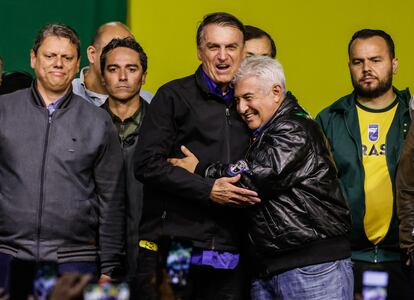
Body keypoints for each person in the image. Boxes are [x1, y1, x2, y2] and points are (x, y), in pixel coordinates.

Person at [170, 56, 353, 299]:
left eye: (248, 98)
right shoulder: (264, 134)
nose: (241, 109)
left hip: (312, 269)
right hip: (274, 269)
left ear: (276, 92)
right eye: (237, 100)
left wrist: (200, 169)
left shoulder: (294, 129)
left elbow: (251, 179)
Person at [133, 12, 259, 300]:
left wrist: (202, 171)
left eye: (231, 47)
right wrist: (209, 189)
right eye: (213, 47)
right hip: (176, 248)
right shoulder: (173, 96)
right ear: (200, 51)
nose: (223, 56)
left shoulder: (252, 103)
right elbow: (145, 164)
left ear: (243, 52)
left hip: (230, 250)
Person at [0, 23, 125, 288]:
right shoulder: (3, 111)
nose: (58, 63)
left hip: (74, 262)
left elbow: (111, 201)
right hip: (7, 256)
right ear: (33, 58)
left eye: (67, 57)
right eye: (50, 56)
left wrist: (111, 268)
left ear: (77, 62)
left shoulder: (98, 122)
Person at [316, 29, 411, 299]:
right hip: (349, 258)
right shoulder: (330, 119)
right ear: (349, 66)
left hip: (404, 257)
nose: (366, 68)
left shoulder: (412, 115)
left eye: (375, 60)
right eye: (358, 62)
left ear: (394, 64)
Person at [99, 37, 148, 284]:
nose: (122, 76)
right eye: (113, 69)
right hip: (102, 265)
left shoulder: (165, 127)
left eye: (131, 69)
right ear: (102, 76)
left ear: (143, 76)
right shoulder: (86, 125)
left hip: (152, 260)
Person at [72, 21, 153, 106]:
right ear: (92, 54)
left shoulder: (150, 101)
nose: (121, 58)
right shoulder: (65, 95)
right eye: (111, 49)